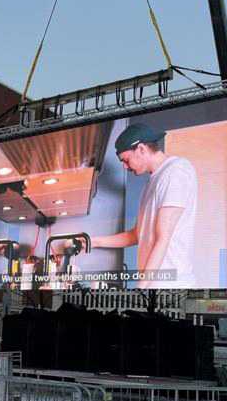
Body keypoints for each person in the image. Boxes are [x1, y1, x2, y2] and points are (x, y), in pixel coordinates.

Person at [81, 123, 198, 288]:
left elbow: (163, 237)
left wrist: (140, 289)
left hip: (171, 285)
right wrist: (93, 242)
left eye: (126, 160)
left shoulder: (176, 172)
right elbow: (137, 235)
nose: (124, 166)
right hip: (154, 284)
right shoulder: (151, 182)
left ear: (141, 149)